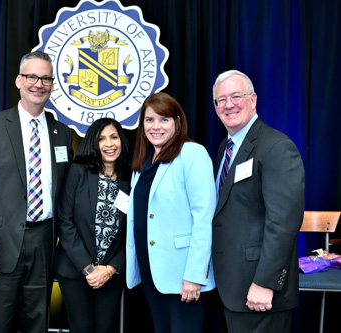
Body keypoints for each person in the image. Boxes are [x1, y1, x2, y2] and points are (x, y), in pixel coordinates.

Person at [0, 50, 73, 333]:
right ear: (18, 80)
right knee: (0, 325)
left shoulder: (62, 133)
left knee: (37, 324)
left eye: (46, 78)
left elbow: (65, 193)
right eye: (32, 76)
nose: (39, 83)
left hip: (44, 242)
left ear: (52, 84)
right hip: (0, 246)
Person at [211, 70, 305, 332]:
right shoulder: (225, 149)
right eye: (221, 100)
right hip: (233, 287)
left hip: (261, 291)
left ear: (253, 99)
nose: (229, 104)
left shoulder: (276, 147)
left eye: (236, 96)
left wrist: (265, 283)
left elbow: (283, 223)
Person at [125, 92, 216, 332]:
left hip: (182, 276)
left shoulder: (192, 154)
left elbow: (204, 218)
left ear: (177, 122)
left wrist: (195, 276)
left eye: (164, 119)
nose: (156, 126)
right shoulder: (143, 160)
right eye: (149, 120)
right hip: (151, 272)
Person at [53, 118, 132, 333]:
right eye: (102, 139)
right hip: (75, 270)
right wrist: (88, 268)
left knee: (106, 328)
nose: (109, 144)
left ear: (121, 141)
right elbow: (65, 221)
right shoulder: (78, 172)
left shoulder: (131, 178)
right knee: (82, 328)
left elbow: (133, 232)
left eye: (114, 137)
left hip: (111, 272)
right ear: (93, 143)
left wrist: (110, 268)